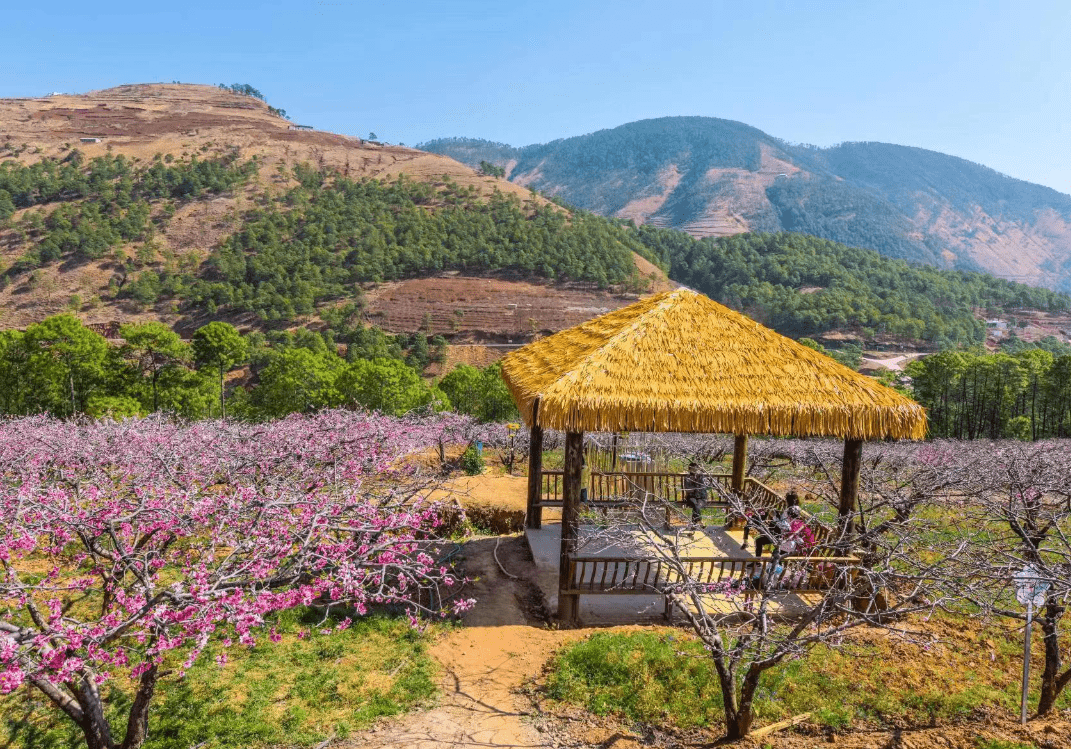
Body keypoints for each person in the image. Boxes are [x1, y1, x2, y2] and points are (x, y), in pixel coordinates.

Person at [682, 461, 708, 527]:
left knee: (697, 505)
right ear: (689, 469)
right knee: (694, 503)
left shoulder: (701, 477)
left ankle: (694, 523)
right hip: (691, 497)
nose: (694, 470)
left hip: (701, 497)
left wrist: (696, 489)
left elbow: (704, 487)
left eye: (695, 468)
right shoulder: (687, 478)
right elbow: (687, 489)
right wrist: (696, 489)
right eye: (692, 469)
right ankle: (699, 521)